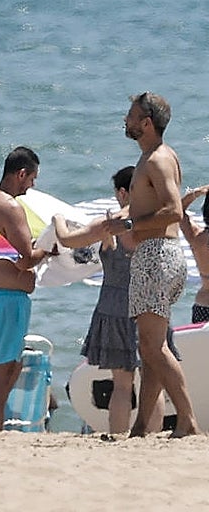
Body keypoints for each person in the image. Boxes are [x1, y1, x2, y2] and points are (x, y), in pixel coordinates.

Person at [79, 93, 199, 438]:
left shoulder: (158, 160)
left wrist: (129, 225)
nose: (126, 121)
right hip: (162, 255)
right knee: (149, 350)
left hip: (156, 255)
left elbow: (174, 210)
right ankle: (142, 428)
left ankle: (188, 420)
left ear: (146, 123)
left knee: (152, 347)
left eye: (131, 116)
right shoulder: (155, 157)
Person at [52, 166, 164, 435]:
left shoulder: (110, 225)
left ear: (123, 192)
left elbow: (67, 240)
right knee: (152, 380)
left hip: (114, 307)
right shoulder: (157, 221)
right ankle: (153, 438)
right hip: (149, 303)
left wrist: (57, 218)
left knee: (122, 384)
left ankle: (119, 436)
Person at [0, 146, 50, 432]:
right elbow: (25, 260)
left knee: (8, 368)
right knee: (2, 372)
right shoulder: (10, 206)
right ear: (21, 174)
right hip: (4, 298)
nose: (32, 185)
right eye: (32, 178)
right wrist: (47, 250)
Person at [179, 185, 209, 323]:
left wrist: (195, 193)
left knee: (201, 345)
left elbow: (178, 210)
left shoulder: (197, 237)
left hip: (203, 305)